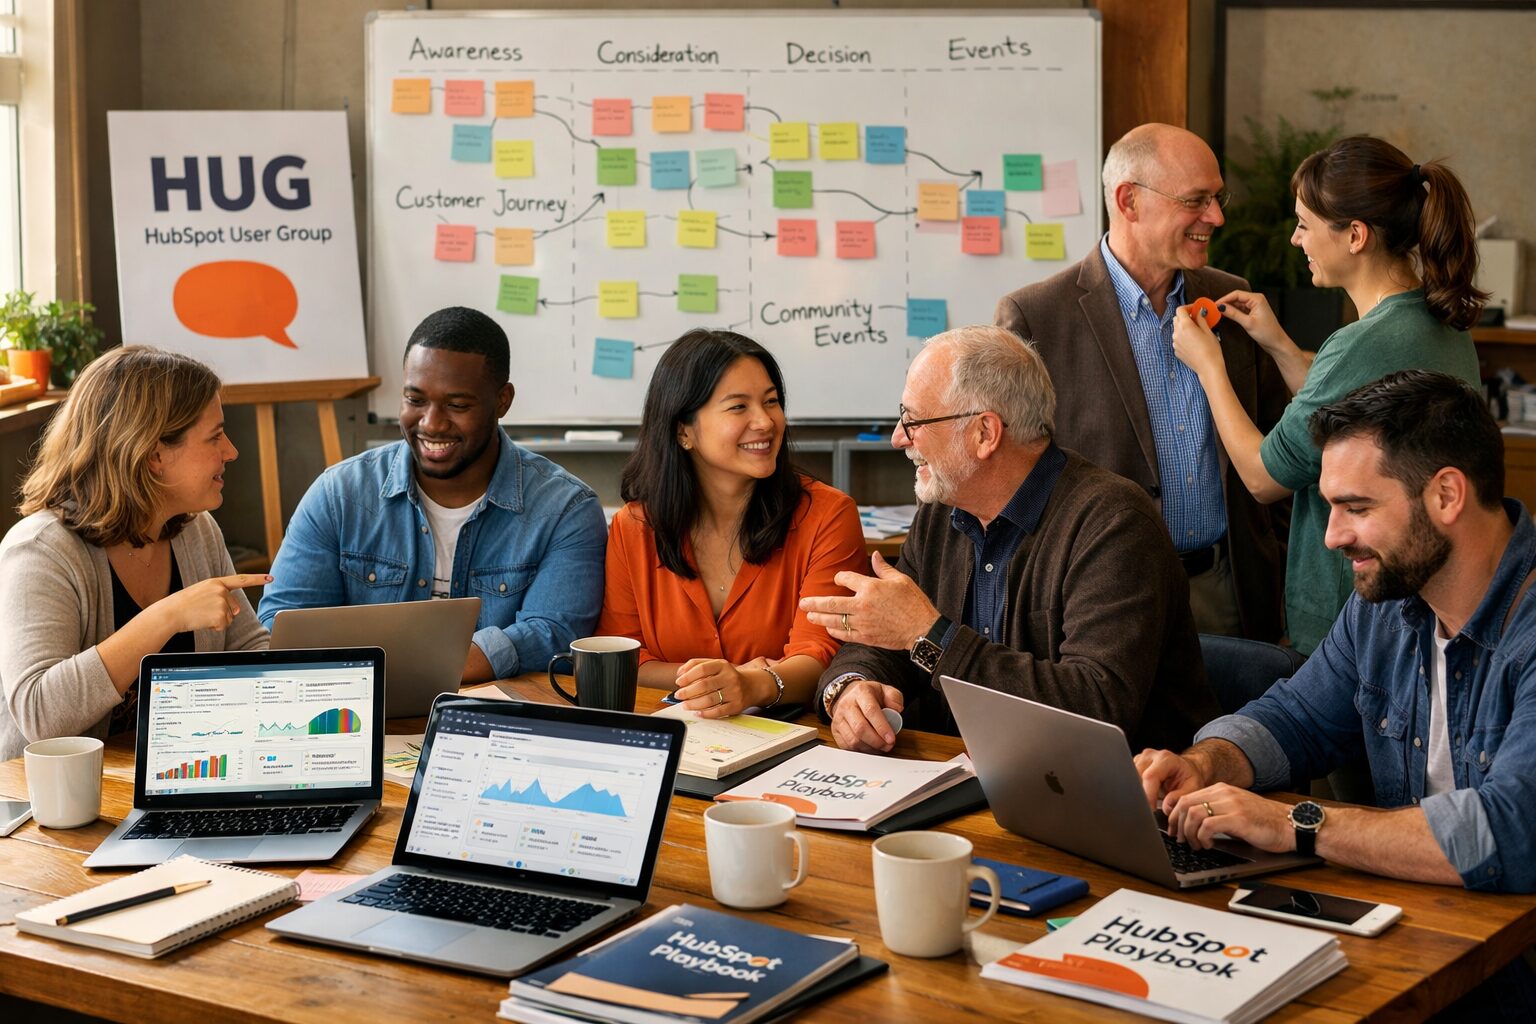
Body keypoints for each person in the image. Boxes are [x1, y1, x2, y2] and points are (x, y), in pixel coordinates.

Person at [1135, 371, 1536, 1014]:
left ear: (1447, 495)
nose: (1332, 536)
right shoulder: (1387, 603)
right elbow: (1297, 716)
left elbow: (1510, 832)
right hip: (1416, 946)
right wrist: (1206, 763)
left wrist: (1296, 823)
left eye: (1358, 507)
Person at [801, 325, 1217, 755]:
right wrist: (850, 690)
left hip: (1113, 794)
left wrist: (928, 635)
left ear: (985, 433)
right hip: (963, 776)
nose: (898, 437)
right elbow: (879, 642)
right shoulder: (941, 512)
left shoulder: (1114, 523)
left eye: (915, 420)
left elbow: (1095, 709)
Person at [1171, 135, 1483, 655]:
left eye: (1304, 225)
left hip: (1357, 624)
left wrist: (1209, 367)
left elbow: (1262, 476)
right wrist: (1281, 347)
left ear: (1356, 235)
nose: (1297, 240)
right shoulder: (1438, 323)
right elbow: (1349, 412)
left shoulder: (1359, 343)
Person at [995, 123, 1288, 643]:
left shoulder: (1234, 300)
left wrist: (1275, 551)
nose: (1216, 217)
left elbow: (1280, 444)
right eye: (1197, 200)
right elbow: (1011, 480)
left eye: (1218, 199)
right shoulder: (1036, 316)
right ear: (1129, 201)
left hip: (1228, 595)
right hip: (1097, 600)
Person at [259, 306, 606, 683]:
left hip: (491, 723)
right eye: (415, 400)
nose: (431, 423)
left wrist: (399, 670)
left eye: (457, 405)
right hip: (358, 716)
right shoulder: (339, 495)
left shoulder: (565, 509)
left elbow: (554, 634)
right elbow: (283, 626)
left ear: (502, 401)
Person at [0, 347, 270, 760]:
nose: (231, 451)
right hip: (53, 811)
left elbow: (250, 651)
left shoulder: (197, 531)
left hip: (176, 780)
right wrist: (168, 616)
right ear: (154, 456)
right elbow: (40, 714)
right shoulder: (39, 553)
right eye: (215, 436)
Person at [597, 329, 866, 717]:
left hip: (795, 739)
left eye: (771, 402)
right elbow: (622, 657)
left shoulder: (828, 515)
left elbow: (822, 656)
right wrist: (722, 682)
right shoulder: (635, 527)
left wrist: (749, 685)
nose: (765, 422)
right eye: (738, 407)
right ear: (683, 430)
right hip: (679, 740)